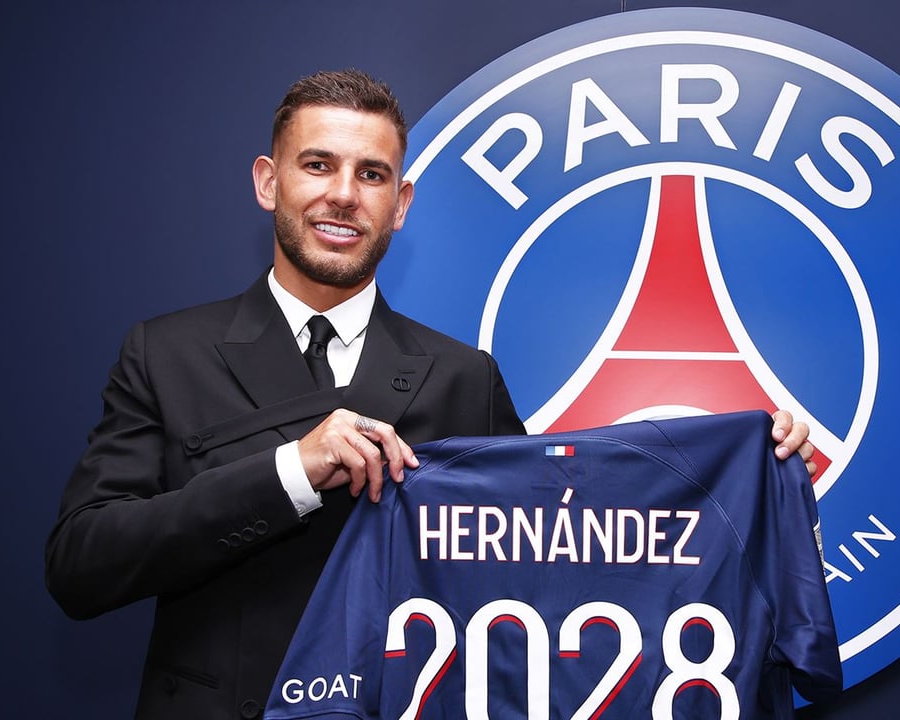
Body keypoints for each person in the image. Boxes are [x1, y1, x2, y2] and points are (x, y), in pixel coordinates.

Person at [45, 69, 814, 720]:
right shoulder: (166, 352)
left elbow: (567, 559)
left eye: (371, 175)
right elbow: (82, 565)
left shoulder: (462, 376)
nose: (343, 195)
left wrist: (751, 477)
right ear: (268, 182)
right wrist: (289, 472)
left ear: (401, 202)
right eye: (317, 165)